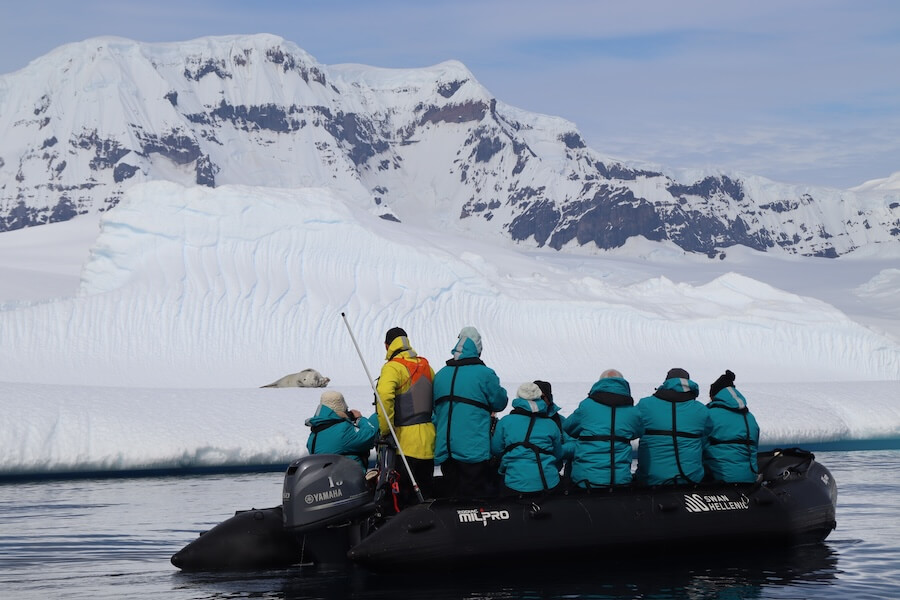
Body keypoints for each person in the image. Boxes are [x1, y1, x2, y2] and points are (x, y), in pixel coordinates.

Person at [432, 326, 508, 497]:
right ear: (478, 349)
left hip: (446, 448)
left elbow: (434, 408)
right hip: (472, 448)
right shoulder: (485, 374)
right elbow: (500, 402)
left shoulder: (440, 375)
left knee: (452, 494)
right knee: (473, 498)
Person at [375, 327, 436, 508]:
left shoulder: (392, 368)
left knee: (404, 498)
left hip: (405, 445)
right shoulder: (427, 366)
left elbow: (384, 396)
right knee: (425, 494)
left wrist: (386, 429)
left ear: (387, 346)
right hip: (429, 442)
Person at [563, 369, 643, 488]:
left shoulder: (587, 406)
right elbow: (639, 432)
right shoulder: (633, 412)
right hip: (620, 479)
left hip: (586, 480)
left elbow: (568, 427)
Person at [636, 368, 711, 486]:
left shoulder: (645, 405)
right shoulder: (702, 410)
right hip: (691, 479)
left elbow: (633, 430)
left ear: (666, 383)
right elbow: (708, 437)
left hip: (650, 480)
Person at [490, 382, 563, 495]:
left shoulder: (506, 422)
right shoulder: (551, 424)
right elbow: (558, 454)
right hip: (548, 482)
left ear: (519, 397)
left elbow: (496, 449)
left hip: (514, 483)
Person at [703, 370, 760, 483]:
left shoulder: (708, 415)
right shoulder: (750, 417)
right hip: (749, 479)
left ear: (715, 396)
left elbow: (697, 446)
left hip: (719, 480)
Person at [305, 390, 377, 470]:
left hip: (326, 477)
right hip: (348, 479)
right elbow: (370, 435)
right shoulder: (343, 430)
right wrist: (360, 419)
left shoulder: (315, 432)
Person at [534, 379, 575, 477]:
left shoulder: (559, 421)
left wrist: (557, 450)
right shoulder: (519, 419)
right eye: (535, 397)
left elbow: (573, 444)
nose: (539, 401)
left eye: (542, 397)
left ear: (549, 398)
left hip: (551, 472)